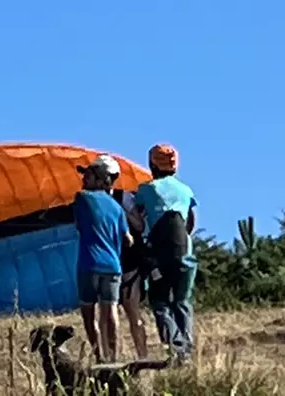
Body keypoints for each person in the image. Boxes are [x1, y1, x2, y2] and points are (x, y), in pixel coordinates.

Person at [135, 143, 198, 362]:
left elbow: (138, 219)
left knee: (160, 302)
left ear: (152, 165)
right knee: (182, 301)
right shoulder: (186, 191)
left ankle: (175, 347)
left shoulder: (147, 189)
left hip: (159, 255)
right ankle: (187, 351)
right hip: (185, 254)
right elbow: (191, 222)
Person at [71, 155, 128, 363]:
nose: (83, 178)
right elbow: (128, 238)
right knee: (111, 309)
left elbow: (79, 225)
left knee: (88, 312)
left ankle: (98, 357)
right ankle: (113, 357)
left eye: (88, 175)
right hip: (113, 266)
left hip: (89, 263)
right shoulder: (117, 208)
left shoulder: (82, 198)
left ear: (100, 179)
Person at [117, 188, 155, 360]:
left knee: (131, 308)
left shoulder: (123, 197)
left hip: (129, 260)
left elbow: (139, 225)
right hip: (110, 258)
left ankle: (142, 355)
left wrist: (122, 213)